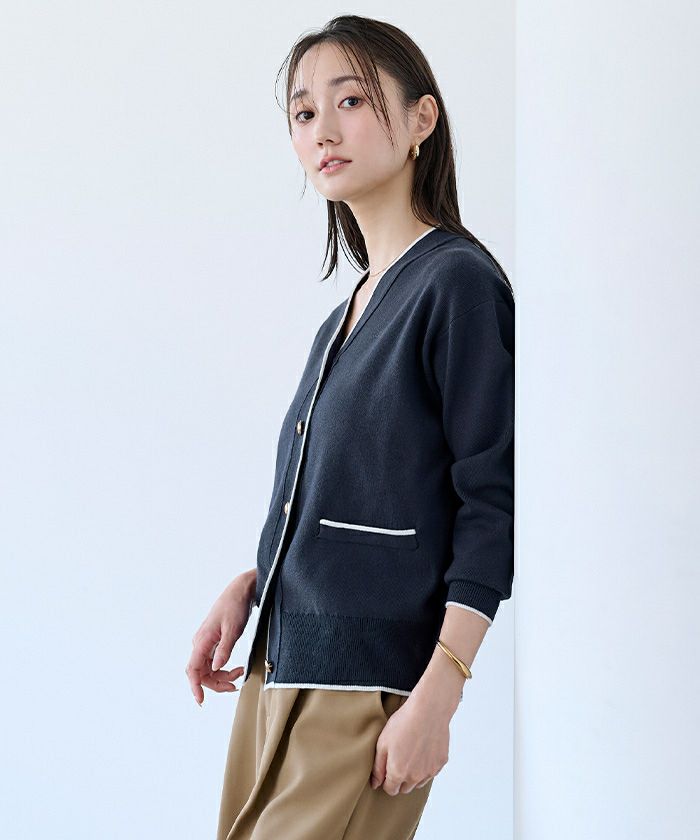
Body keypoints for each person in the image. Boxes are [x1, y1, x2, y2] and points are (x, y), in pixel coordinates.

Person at [185, 14, 515, 840]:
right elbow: (363, 497)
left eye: (352, 101)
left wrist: (439, 694)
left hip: (367, 686)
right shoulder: (345, 316)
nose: (323, 131)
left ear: (421, 119)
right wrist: (257, 581)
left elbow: (490, 504)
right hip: (280, 669)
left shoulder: (457, 285)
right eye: (303, 113)